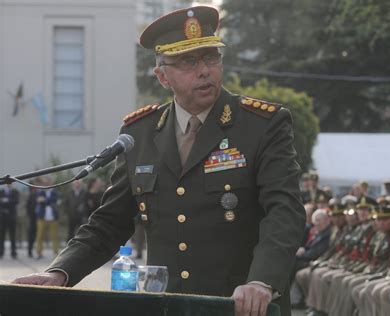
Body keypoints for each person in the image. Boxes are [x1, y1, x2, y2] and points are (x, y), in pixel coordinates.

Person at [13, 6, 306, 316]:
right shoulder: (139, 133)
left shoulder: (261, 125)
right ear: (162, 75)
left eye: (211, 57)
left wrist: (262, 281)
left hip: (240, 306)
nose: (204, 70)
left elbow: (284, 211)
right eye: (188, 61)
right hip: (169, 307)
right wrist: (59, 272)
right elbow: (109, 224)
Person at [34, 176, 60, 259]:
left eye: (48, 182)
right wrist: (46, 201)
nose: (47, 184)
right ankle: (39, 252)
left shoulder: (55, 192)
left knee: (54, 236)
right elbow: (38, 200)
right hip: (42, 216)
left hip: (53, 216)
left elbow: (53, 200)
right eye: (45, 183)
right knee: (40, 235)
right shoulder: (40, 191)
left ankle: (55, 252)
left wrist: (44, 200)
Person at [0, 183, 20, 259]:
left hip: (12, 216)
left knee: (13, 235)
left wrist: (6, 201)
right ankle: (1, 252)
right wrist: (6, 202)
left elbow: (16, 201)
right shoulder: (1, 191)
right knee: (2, 235)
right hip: (2, 216)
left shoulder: (15, 191)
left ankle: (13, 253)